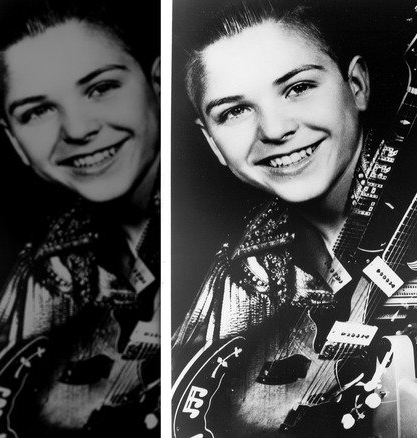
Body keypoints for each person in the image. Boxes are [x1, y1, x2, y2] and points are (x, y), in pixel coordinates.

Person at [171, 0, 383, 434]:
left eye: (298, 87)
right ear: (213, 144)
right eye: (234, 111)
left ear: (357, 85)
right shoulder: (240, 271)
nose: (273, 130)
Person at [0, 0, 161, 436]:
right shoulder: (46, 265)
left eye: (101, 87)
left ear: (158, 83)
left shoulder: (240, 230)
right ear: (15, 142)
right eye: (37, 111)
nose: (77, 130)